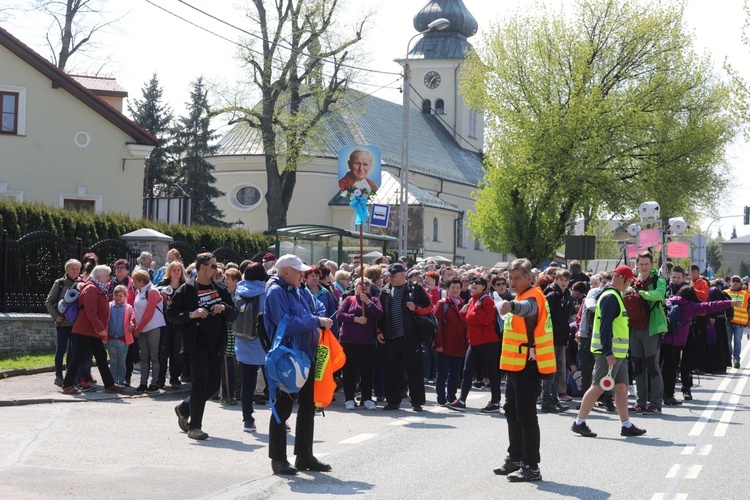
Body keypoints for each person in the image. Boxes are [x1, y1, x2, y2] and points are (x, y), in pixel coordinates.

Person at [264, 254, 333, 476]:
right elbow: (286, 323)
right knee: (282, 409)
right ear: (285, 271)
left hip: (305, 354)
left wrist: (318, 318)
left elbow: (316, 308)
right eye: (298, 271)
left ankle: (304, 455)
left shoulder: (296, 289)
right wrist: (316, 321)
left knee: (307, 407)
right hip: (287, 357)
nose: (302, 274)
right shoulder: (276, 291)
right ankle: (278, 459)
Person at [494, 258, 556, 483]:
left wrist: (513, 306)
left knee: (526, 415)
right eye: (510, 277)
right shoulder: (520, 295)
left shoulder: (532, 297)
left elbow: (526, 309)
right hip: (515, 365)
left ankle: (531, 466)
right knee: (511, 410)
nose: (512, 281)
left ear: (530, 278)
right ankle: (516, 458)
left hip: (528, 365)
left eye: (517, 278)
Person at [168, 252, 238, 441]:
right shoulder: (187, 289)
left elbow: (234, 313)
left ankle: (184, 408)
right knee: (200, 384)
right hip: (196, 344)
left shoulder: (220, 288)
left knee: (213, 386)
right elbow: (171, 314)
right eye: (213, 266)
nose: (217, 269)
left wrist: (224, 307)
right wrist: (191, 314)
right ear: (202, 267)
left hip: (217, 344)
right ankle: (195, 427)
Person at [571, 265, 647, 438]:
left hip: (618, 353)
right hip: (610, 353)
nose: (629, 286)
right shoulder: (611, 297)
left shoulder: (613, 296)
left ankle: (626, 425)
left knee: (622, 388)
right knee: (598, 387)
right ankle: (579, 422)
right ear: (624, 279)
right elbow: (605, 327)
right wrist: (607, 352)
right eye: (629, 282)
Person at [662, 285, 738, 405]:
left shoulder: (669, 301)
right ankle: (669, 396)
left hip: (663, 339)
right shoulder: (691, 306)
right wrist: (730, 303)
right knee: (672, 368)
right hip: (677, 342)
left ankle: (657, 394)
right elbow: (711, 306)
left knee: (663, 367)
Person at [60, 265, 125, 395]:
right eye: (107, 275)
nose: (109, 278)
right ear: (99, 276)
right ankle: (67, 385)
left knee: (101, 356)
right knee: (78, 357)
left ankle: (109, 385)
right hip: (85, 330)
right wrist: (100, 328)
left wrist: (98, 329)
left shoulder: (97, 288)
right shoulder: (91, 288)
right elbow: (90, 312)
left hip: (91, 330)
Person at [377, 263, 432, 412]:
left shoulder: (415, 288)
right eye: (389, 276)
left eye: (393, 276)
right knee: (391, 370)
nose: (390, 279)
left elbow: (429, 307)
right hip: (391, 337)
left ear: (402, 275)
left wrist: (416, 308)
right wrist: (379, 331)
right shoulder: (385, 291)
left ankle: (417, 401)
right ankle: (393, 401)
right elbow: (380, 315)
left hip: (410, 336)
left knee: (414, 370)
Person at [447, 275, 502, 413]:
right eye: (472, 282)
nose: (474, 284)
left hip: (488, 342)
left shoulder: (487, 300)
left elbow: (487, 321)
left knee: (491, 373)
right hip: (475, 342)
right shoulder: (473, 300)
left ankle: (495, 402)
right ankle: (461, 401)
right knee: (467, 371)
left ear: (484, 286)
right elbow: (469, 320)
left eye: (477, 283)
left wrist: (476, 309)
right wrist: (462, 312)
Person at [629, 251, 667, 415]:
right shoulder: (633, 282)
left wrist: (640, 294)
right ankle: (640, 402)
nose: (643, 267)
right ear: (637, 265)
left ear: (652, 265)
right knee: (638, 367)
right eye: (641, 264)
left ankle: (656, 403)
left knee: (652, 366)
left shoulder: (660, 280)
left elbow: (658, 295)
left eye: (646, 264)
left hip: (652, 328)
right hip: (634, 328)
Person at [337, 277, 383, 410]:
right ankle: (349, 398)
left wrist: (368, 302)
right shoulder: (349, 299)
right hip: (348, 341)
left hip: (366, 341)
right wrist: (356, 319)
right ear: (355, 286)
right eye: (360, 284)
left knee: (366, 371)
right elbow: (340, 315)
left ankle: (367, 398)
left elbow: (379, 314)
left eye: (367, 284)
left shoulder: (374, 300)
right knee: (348, 371)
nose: (364, 286)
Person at [235, 263, 269, 433]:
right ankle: (280, 419)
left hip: (242, 341)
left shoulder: (238, 290)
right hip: (263, 343)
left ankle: (248, 420)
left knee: (247, 383)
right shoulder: (265, 292)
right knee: (274, 383)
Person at [45, 258, 82, 387]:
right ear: (67, 270)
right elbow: (49, 302)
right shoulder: (60, 283)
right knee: (61, 349)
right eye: (73, 269)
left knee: (73, 351)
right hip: (62, 323)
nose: (76, 271)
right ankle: (58, 376)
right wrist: (56, 316)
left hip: (76, 324)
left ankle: (70, 376)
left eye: (78, 269)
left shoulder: (81, 283)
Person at [541, 269, 573, 412]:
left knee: (558, 370)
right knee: (550, 371)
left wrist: (566, 337)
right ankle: (546, 399)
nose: (564, 283)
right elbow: (546, 317)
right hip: (551, 337)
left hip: (561, 338)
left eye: (566, 280)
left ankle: (554, 399)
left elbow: (565, 318)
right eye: (561, 280)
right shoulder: (552, 296)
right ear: (556, 279)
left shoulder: (566, 295)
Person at [432, 278, 468, 406]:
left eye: (458, 287)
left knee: (455, 373)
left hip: (459, 345)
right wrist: (438, 344)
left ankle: (451, 396)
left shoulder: (463, 304)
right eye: (453, 287)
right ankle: (440, 397)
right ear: (448, 289)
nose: (455, 290)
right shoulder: (442, 304)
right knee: (442, 372)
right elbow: (437, 326)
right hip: (445, 344)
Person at [132, 269, 166, 394]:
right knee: (144, 357)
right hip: (142, 328)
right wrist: (134, 323)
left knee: (154, 357)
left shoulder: (152, 291)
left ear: (141, 281)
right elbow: (136, 311)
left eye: (135, 281)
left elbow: (149, 312)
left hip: (153, 327)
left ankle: (154, 383)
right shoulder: (139, 291)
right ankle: (143, 383)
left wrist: (138, 328)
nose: (133, 283)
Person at [156, 261, 186, 388]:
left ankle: (174, 378)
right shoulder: (163, 285)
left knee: (177, 352)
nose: (176, 272)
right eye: (174, 270)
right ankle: (160, 379)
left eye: (179, 270)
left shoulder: (185, 286)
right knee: (163, 351)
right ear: (169, 271)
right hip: (165, 322)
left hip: (179, 323)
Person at [107, 285, 135, 387]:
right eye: (116, 295)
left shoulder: (129, 308)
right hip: (111, 339)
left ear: (125, 296)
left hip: (123, 340)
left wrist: (132, 324)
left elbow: (133, 318)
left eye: (120, 296)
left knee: (122, 361)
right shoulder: (109, 306)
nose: (118, 298)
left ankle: (121, 381)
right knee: (113, 361)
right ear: (113, 295)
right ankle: (113, 382)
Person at [725, 275, 750, 369]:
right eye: (733, 280)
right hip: (728, 321)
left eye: (737, 281)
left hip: (739, 322)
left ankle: (736, 359)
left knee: (737, 341)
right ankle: (728, 358)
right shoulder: (725, 292)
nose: (735, 282)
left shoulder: (746, 294)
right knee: (728, 341)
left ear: (740, 283)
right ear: (730, 282)